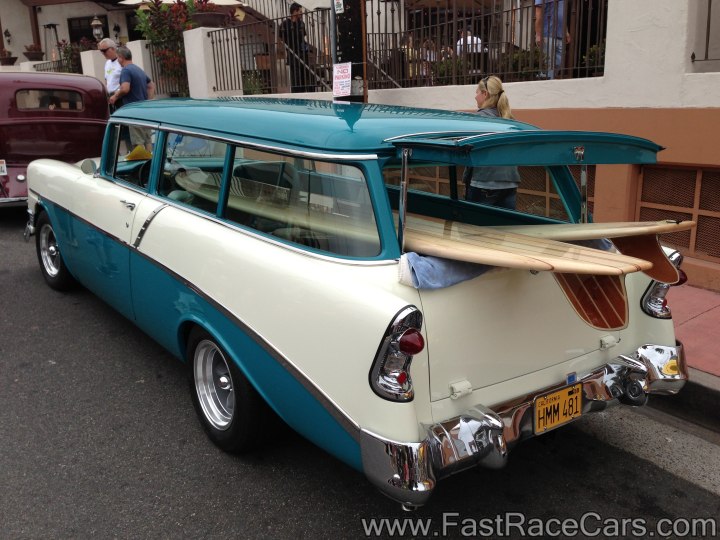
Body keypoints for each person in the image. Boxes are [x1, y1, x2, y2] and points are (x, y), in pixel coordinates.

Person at [463, 76, 520, 210]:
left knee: (475, 229)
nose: (475, 97)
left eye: (477, 92)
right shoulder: (510, 119)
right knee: (506, 228)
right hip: (510, 183)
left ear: (485, 94)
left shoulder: (478, 119)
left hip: (484, 183)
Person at [109, 47, 156, 151]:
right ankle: (149, 163)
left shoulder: (125, 70)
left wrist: (115, 96)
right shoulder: (138, 69)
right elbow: (151, 85)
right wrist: (148, 101)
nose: (118, 61)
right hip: (144, 110)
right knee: (147, 140)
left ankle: (140, 164)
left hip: (134, 111)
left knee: (137, 141)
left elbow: (125, 89)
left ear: (121, 58)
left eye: (118, 58)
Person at [535, 0, 571, 79]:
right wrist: (538, 34)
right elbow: (538, 15)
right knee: (549, 63)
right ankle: (547, 82)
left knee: (559, 62)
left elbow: (563, 16)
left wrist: (566, 32)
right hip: (547, 34)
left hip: (560, 35)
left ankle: (547, 79)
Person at [280, 2, 311, 93]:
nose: (301, 13)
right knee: (296, 78)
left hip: (302, 53)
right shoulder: (285, 24)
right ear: (294, 11)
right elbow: (281, 38)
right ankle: (297, 96)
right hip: (292, 54)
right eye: (300, 11)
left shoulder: (301, 23)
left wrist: (305, 48)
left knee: (304, 75)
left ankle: (305, 94)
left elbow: (302, 38)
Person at [98, 38, 122, 112]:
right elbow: (107, 80)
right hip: (111, 98)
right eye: (101, 51)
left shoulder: (121, 61)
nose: (103, 53)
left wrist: (117, 95)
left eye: (104, 51)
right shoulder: (107, 63)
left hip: (120, 97)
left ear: (112, 49)